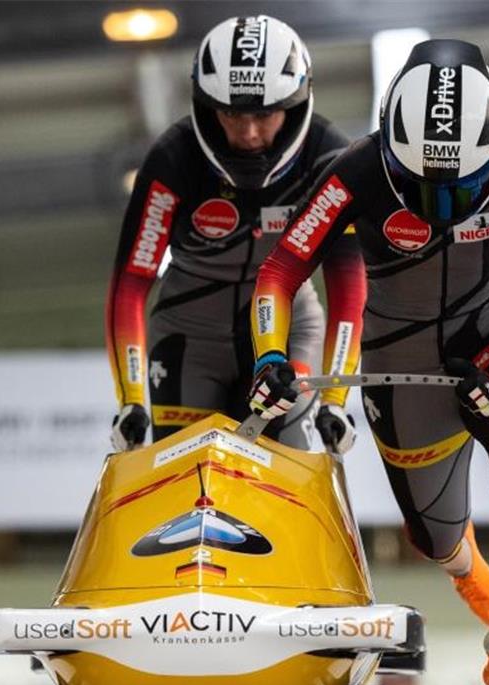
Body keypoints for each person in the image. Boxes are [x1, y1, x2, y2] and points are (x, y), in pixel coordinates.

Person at [246, 39, 489, 685]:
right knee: (435, 536)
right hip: (401, 359)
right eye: (424, 188)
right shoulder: (354, 173)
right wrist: (272, 356)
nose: (442, 206)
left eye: (461, 190)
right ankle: (469, 573)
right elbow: (280, 273)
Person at [106, 15, 361, 450]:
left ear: (296, 103)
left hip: (286, 335)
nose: (248, 133)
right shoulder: (173, 158)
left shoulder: (328, 157)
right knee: (184, 486)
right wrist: (131, 399)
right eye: (230, 113)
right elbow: (131, 282)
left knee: (282, 480)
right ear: (206, 107)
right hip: (188, 340)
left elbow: (350, 283)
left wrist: (335, 398)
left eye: (264, 114)